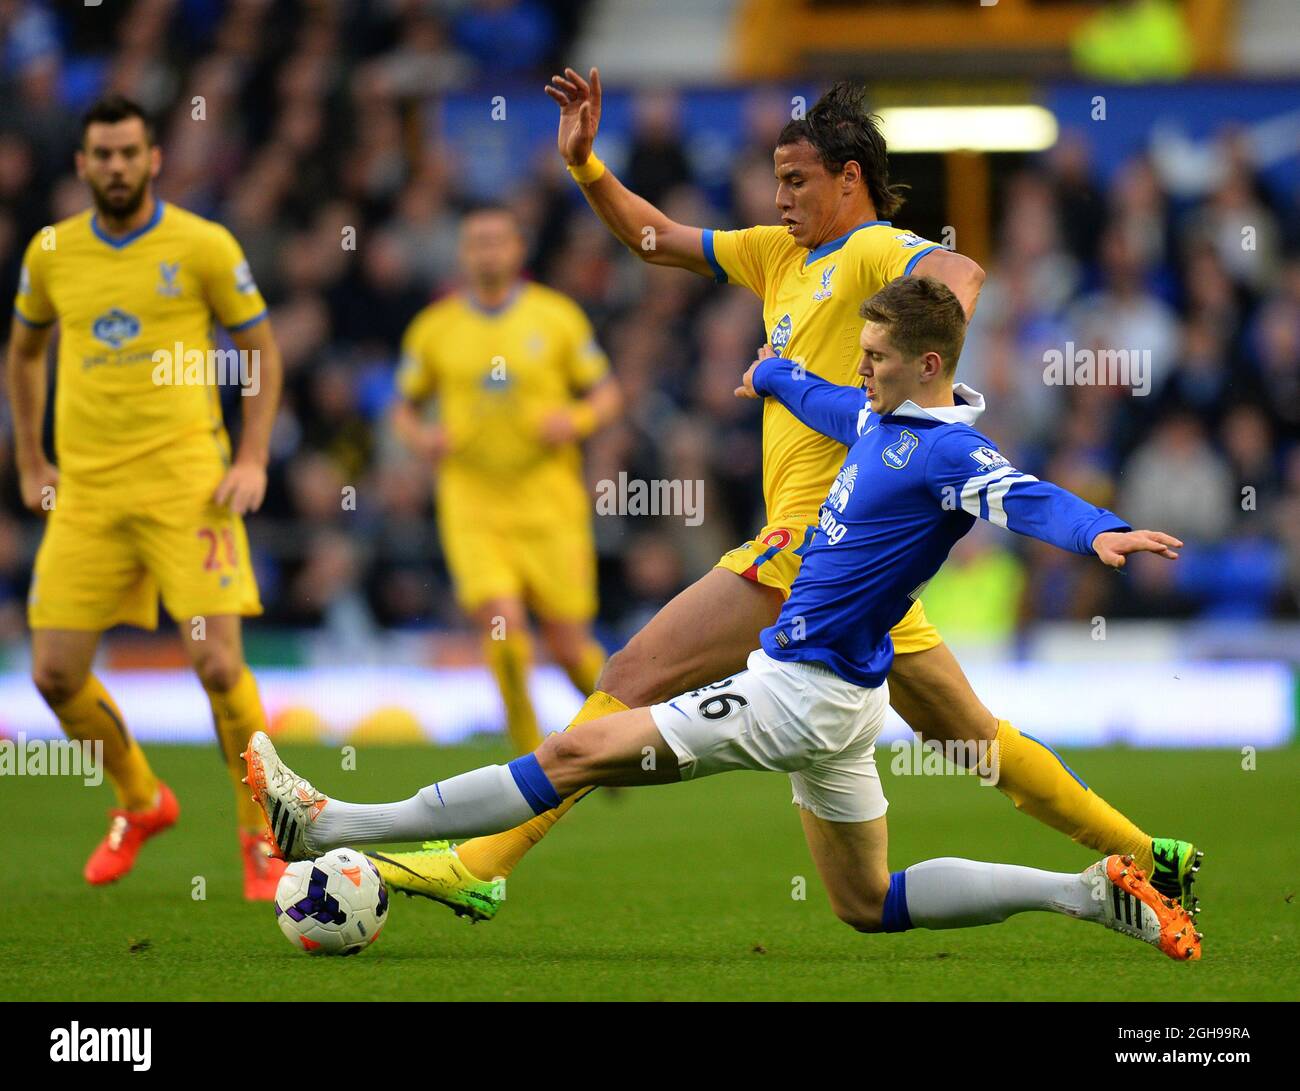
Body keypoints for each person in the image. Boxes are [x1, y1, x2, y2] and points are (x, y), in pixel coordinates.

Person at [368, 73, 1199, 920]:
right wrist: (586, 168)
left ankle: (482, 860)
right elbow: (655, 240)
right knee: (972, 745)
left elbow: (961, 270)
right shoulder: (776, 254)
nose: (781, 197)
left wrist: (923, 357)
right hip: (858, 556)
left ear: (849, 179)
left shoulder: (875, 252)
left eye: (796, 180)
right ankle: (1146, 857)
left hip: (803, 547)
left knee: (632, 674)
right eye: (776, 180)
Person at [244, 277, 1201, 962]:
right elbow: (827, 404)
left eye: (876, 357)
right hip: (846, 700)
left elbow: (1030, 499)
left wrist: (1102, 533)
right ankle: (1086, 893)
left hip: (799, 692)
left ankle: (329, 825)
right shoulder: (883, 417)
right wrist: (776, 377)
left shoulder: (954, 456)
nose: (862, 370)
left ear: (930, 364)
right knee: (866, 903)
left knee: (575, 754)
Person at [6, 95, 285, 899]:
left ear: (155, 159)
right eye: (104, 154)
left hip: (187, 484)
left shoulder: (201, 244)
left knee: (217, 659)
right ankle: (142, 799)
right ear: (83, 164)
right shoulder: (52, 252)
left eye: (131, 152)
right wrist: (31, 460)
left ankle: (262, 829)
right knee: (55, 674)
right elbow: (23, 353)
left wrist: (256, 455)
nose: (118, 166)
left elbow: (259, 348)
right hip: (88, 492)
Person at [391, 204, 621, 753]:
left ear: (518, 250)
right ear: (463, 254)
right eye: (476, 242)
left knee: (570, 648)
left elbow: (607, 393)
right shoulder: (435, 327)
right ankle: (529, 761)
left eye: (497, 241)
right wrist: (420, 438)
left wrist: (576, 419)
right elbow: (403, 406)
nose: (486, 252)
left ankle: (619, 738)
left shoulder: (556, 318)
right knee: (506, 636)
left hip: (549, 506)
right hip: (472, 505)